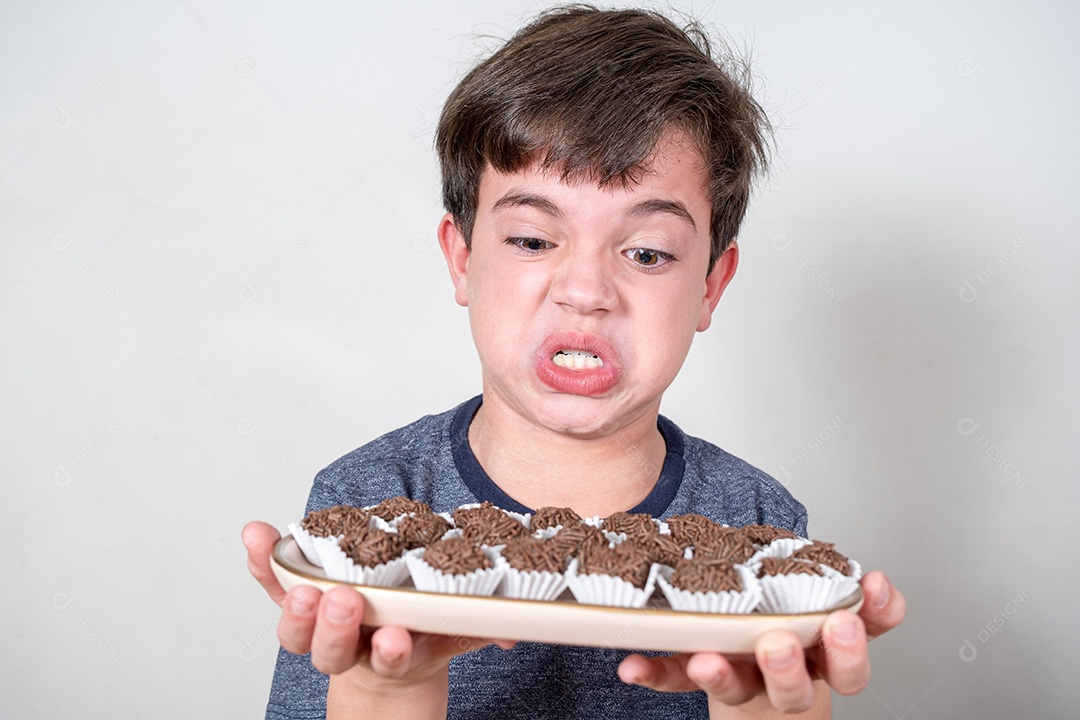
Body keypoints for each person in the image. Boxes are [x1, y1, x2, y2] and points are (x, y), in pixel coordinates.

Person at [243, 6, 906, 718]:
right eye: (532, 240)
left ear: (711, 285)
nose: (586, 291)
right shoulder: (365, 505)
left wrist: (767, 706)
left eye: (647, 252)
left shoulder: (758, 525)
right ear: (462, 258)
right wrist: (386, 684)